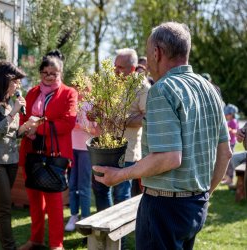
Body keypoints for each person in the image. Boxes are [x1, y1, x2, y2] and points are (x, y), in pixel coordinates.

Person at [93, 22, 232, 250]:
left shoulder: (162, 89)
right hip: (196, 206)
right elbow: (225, 153)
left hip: (164, 208)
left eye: (148, 52)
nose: (146, 61)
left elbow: (168, 157)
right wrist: (204, 194)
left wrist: (119, 175)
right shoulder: (209, 89)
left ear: (156, 52)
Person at [0, 62, 39, 250]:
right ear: (5, 80)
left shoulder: (10, 103)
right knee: (3, 209)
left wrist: (25, 128)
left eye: (20, 82)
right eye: (16, 81)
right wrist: (13, 113)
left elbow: (10, 133)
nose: (19, 86)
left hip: (9, 162)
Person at [18, 50, 77, 250]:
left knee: (53, 202)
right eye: (46, 73)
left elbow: (67, 123)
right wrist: (27, 127)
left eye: (54, 73)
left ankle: (56, 244)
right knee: (34, 201)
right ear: (40, 73)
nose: (50, 76)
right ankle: (35, 240)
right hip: (31, 151)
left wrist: (37, 127)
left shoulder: (69, 93)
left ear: (60, 73)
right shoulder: (32, 92)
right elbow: (23, 118)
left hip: (55, 155)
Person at [92, 48, 150, 212]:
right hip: (104, 147)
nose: (115, 71)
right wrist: (95, 112)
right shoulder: (109, 84)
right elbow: (99, 108)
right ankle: (102, 231)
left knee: (121, 194)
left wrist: (123, 119)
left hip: (127, 151)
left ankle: (119, 237)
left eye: (120, 68)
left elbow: (148, 118)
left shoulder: (143, 87)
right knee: (100, 189)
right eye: (114, 66)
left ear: (132, 69)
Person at [65, 83, 98, 231]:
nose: (79, 91)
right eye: (77, 87)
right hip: (71, 148)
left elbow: (97, 130)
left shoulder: (92, 105)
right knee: (72, 185)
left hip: (85, 149)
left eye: (82, 87)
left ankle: (85, 216)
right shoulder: (72, 103)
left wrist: (82, 127)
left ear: (89, 88)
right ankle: (73, 215)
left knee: (84, 186)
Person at [221, 104, 239, 186]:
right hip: (229, 142)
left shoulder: (233, 122)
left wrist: (230, 129)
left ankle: (230, 179)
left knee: (230, 162)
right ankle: (227, 178)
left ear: (232, 114)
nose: (226, 115)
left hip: (232, 142)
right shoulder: (229, 121)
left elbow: (236, 131)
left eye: (227, 114)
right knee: (226, 161)